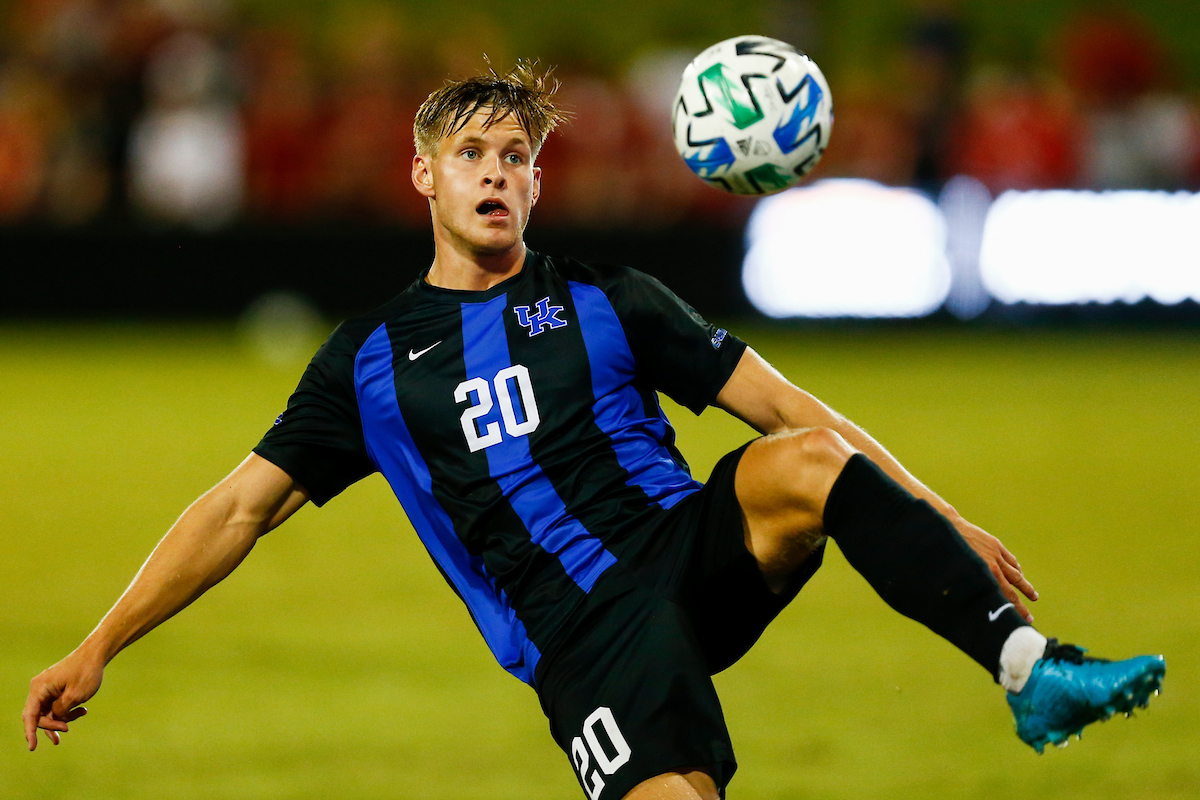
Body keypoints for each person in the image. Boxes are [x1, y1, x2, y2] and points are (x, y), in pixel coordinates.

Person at [24, 62, 1164, 800]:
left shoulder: (608, 296)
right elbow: (237, 509)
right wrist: (99, 643)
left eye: (516, 157)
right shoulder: (369, 360)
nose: (497, 175)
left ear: (537, 182)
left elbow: (789, 408)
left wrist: (939, 515)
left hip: (689, 551)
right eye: (472, 154)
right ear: (422, 174)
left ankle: (1029, 669)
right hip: (583, 636)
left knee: (803, 462)